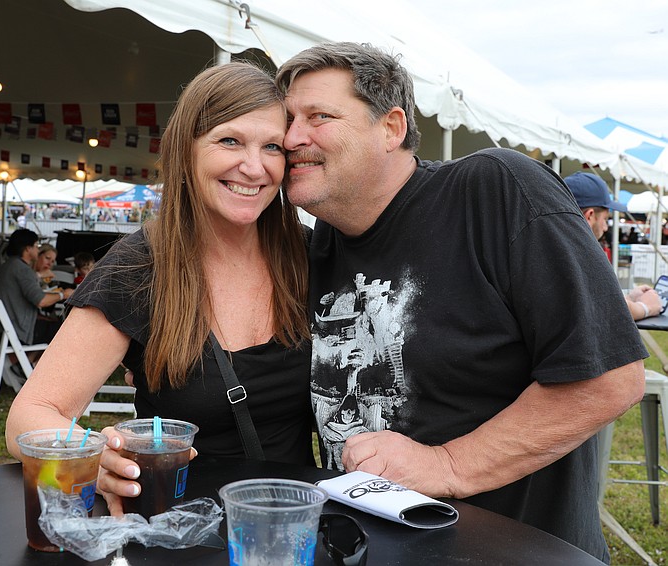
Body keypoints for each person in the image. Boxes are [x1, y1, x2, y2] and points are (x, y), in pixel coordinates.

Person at [276, 42, 646, 562]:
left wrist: (447, 464)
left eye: (319, 116)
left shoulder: (496, 190)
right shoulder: (319, 245)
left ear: (391, 127)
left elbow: (610, 377)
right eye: (288, 119)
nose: (291, 138)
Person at [4, 62, 313, 513]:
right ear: (185, 150)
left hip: (289, 533)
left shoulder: (310, 257)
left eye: (272, 146)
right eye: (230, 140)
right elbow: (26, 419)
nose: (254, 167)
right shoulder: (140, 267)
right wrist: (93, 460)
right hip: (173, 533)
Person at [564, 171, 662, 320]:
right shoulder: (581, 252)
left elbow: (596, 302)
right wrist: (646, 307)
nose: (605, 228)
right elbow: (609, 310)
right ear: (590, 215)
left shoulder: (551, 245)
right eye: (605, 219)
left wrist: (628, 297)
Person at [0, 229, 74, 357]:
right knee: (65, 330)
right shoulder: (22, 269)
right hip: (12, 332)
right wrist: (64, 295)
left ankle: (23, 363)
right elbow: (41, 301)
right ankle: (29, 364)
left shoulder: (6, 265)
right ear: (28, 249)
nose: (37, 250)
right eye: (36, 246)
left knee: (50, 322)